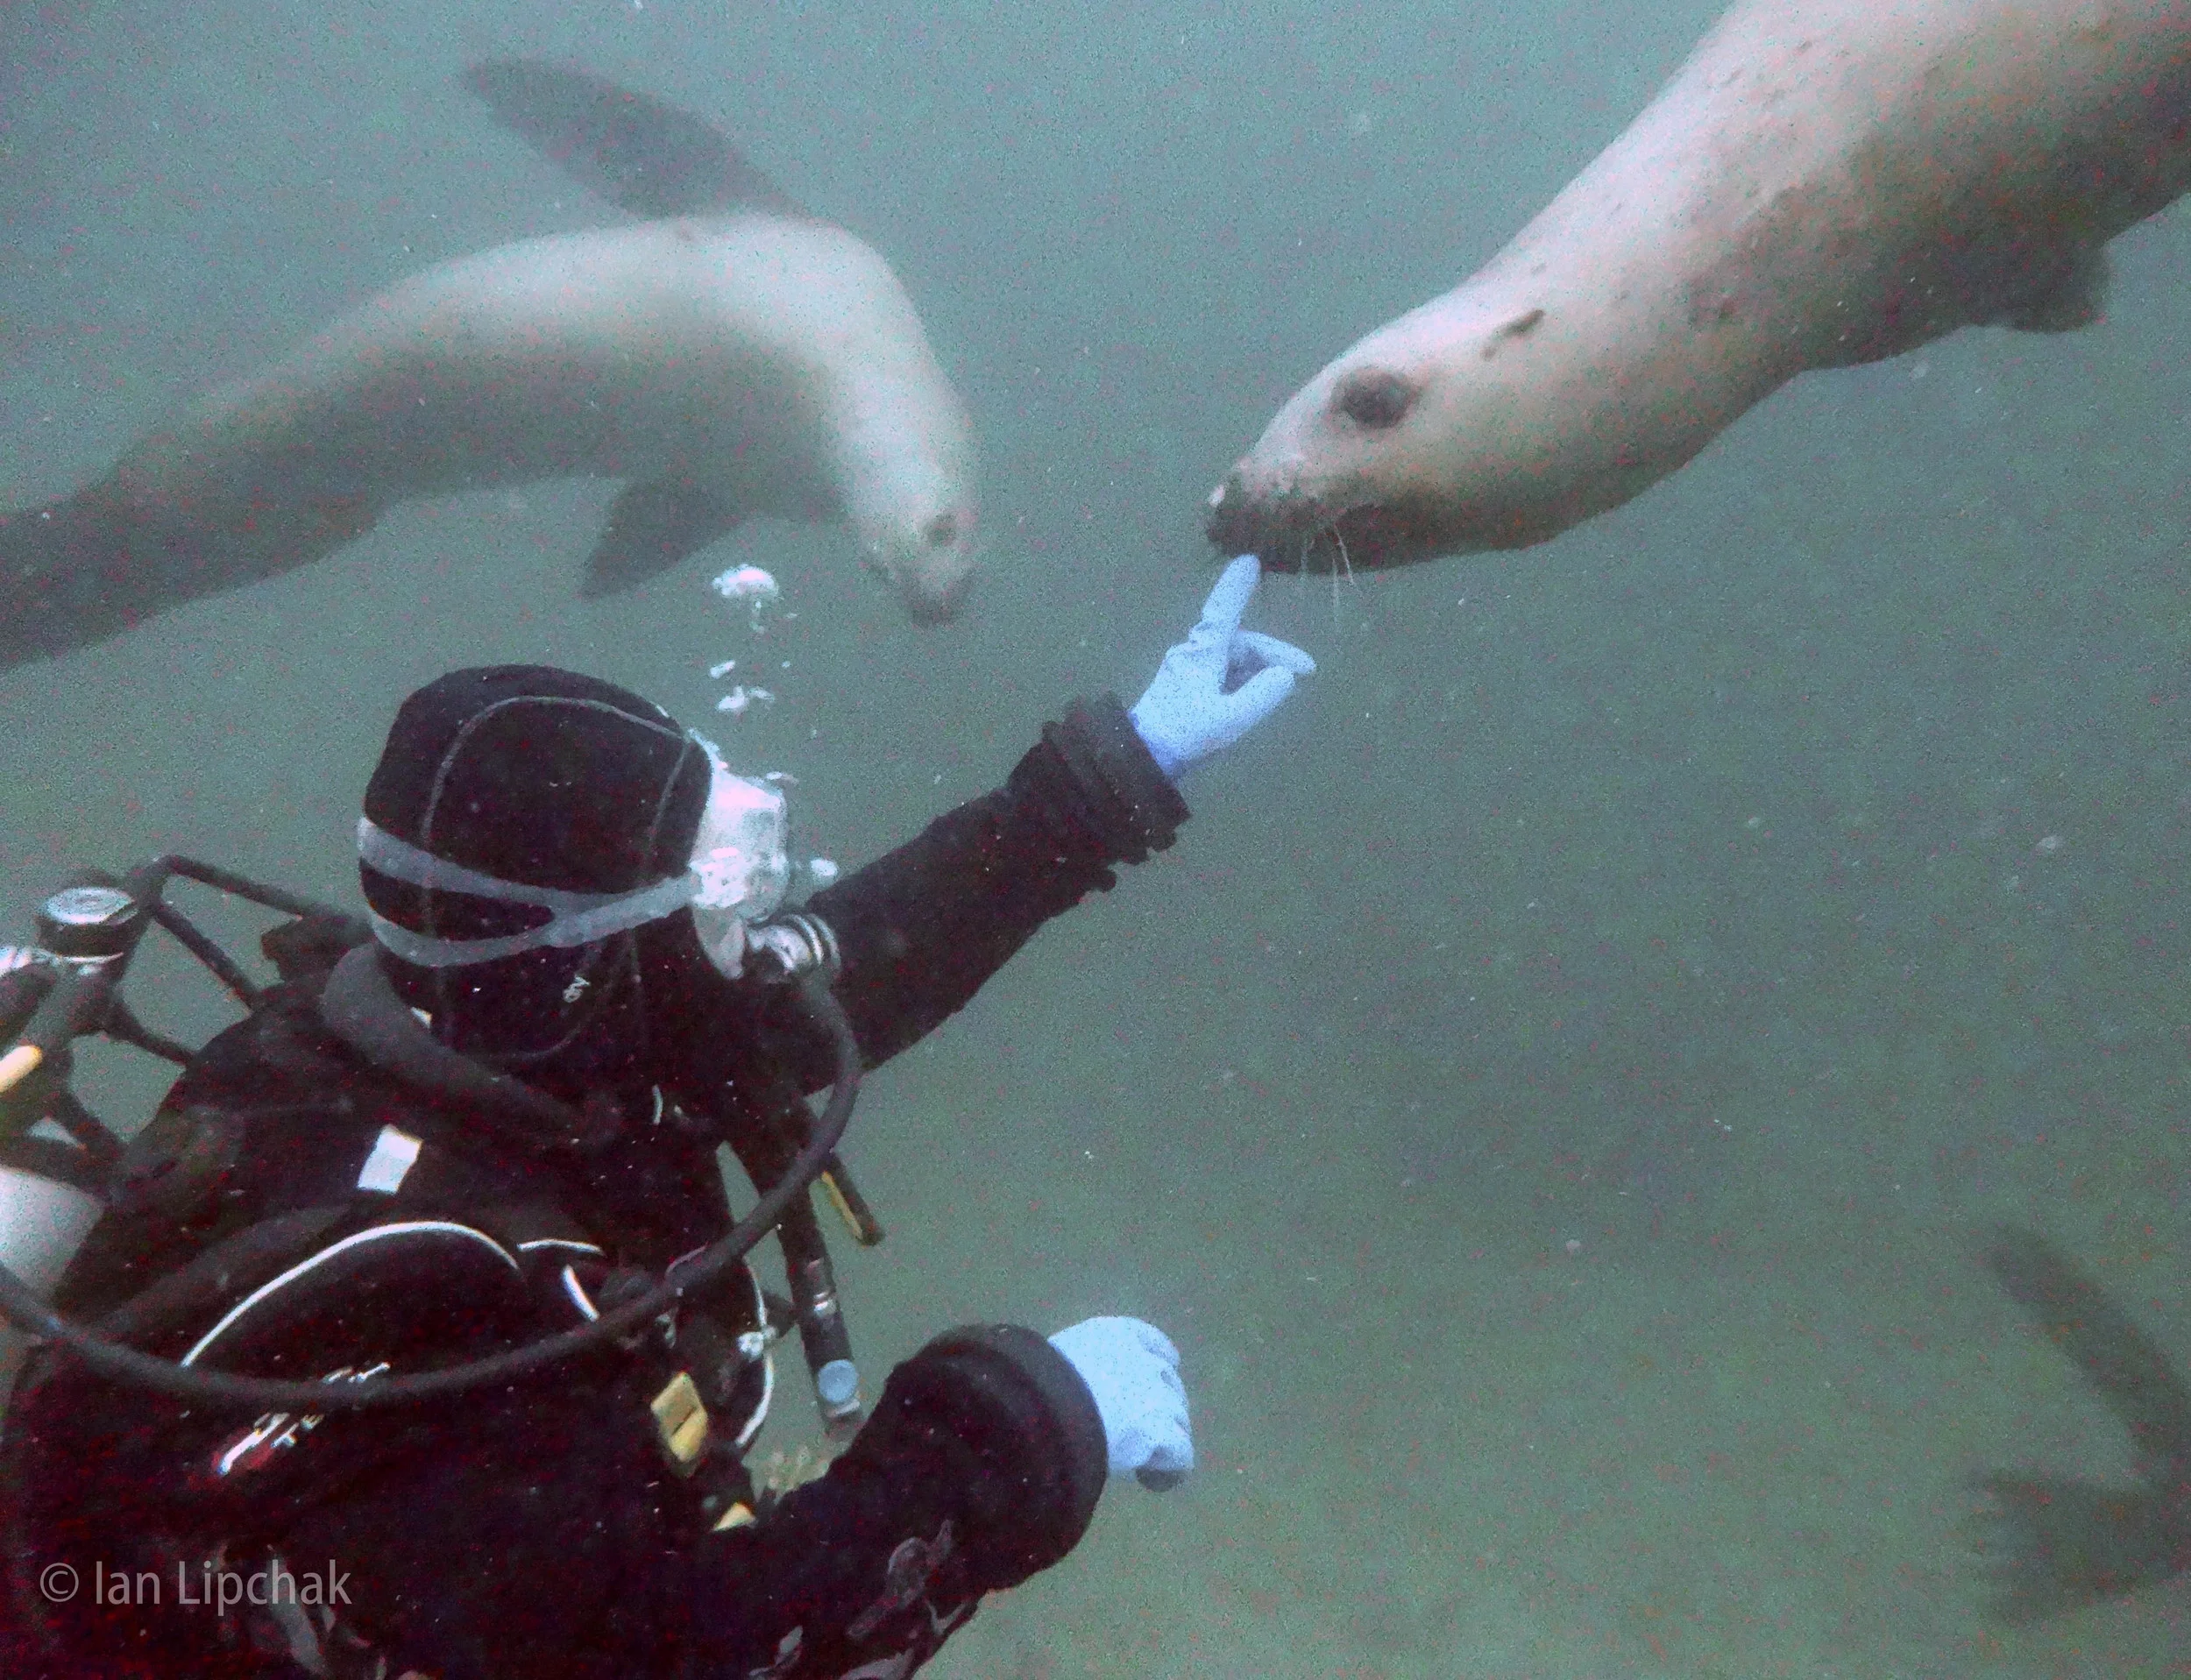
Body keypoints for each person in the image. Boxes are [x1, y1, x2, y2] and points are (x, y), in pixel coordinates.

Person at [0, 557, 1313, 1680]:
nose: (752, 917)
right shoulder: (446, 1306)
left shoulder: (428, 1031)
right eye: (707, 892)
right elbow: (683, 1650)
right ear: (582, 960)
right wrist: (1020, 1429)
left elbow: (844, 970)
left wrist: (1105, 780)